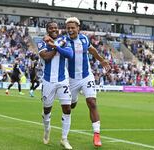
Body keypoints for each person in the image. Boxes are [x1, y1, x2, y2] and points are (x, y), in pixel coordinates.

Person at [65, 17, 110, 147]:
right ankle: (75, 100)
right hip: (71, 79)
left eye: (73, 27)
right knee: (70, 106)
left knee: (92, 102)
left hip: (86, 76)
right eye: (68, 28)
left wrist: (101, 60)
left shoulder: (84, 39)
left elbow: (91, 50)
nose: (70, 30)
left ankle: (96, 135)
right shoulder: (64, 41)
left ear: (78, 28)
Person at [38, 21, 73, 149]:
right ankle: (47, 130)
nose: (54, 29)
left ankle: (64, 138)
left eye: (56, 28)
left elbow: (69, 54)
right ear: (47, 30)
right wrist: (56, 47)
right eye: (51, 28)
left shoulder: (64, 40)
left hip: (63, 80)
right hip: (48, 80)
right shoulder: (42, 42)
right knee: (47, 109)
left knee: (67, 109)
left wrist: (55, 45)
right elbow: (46, 57)